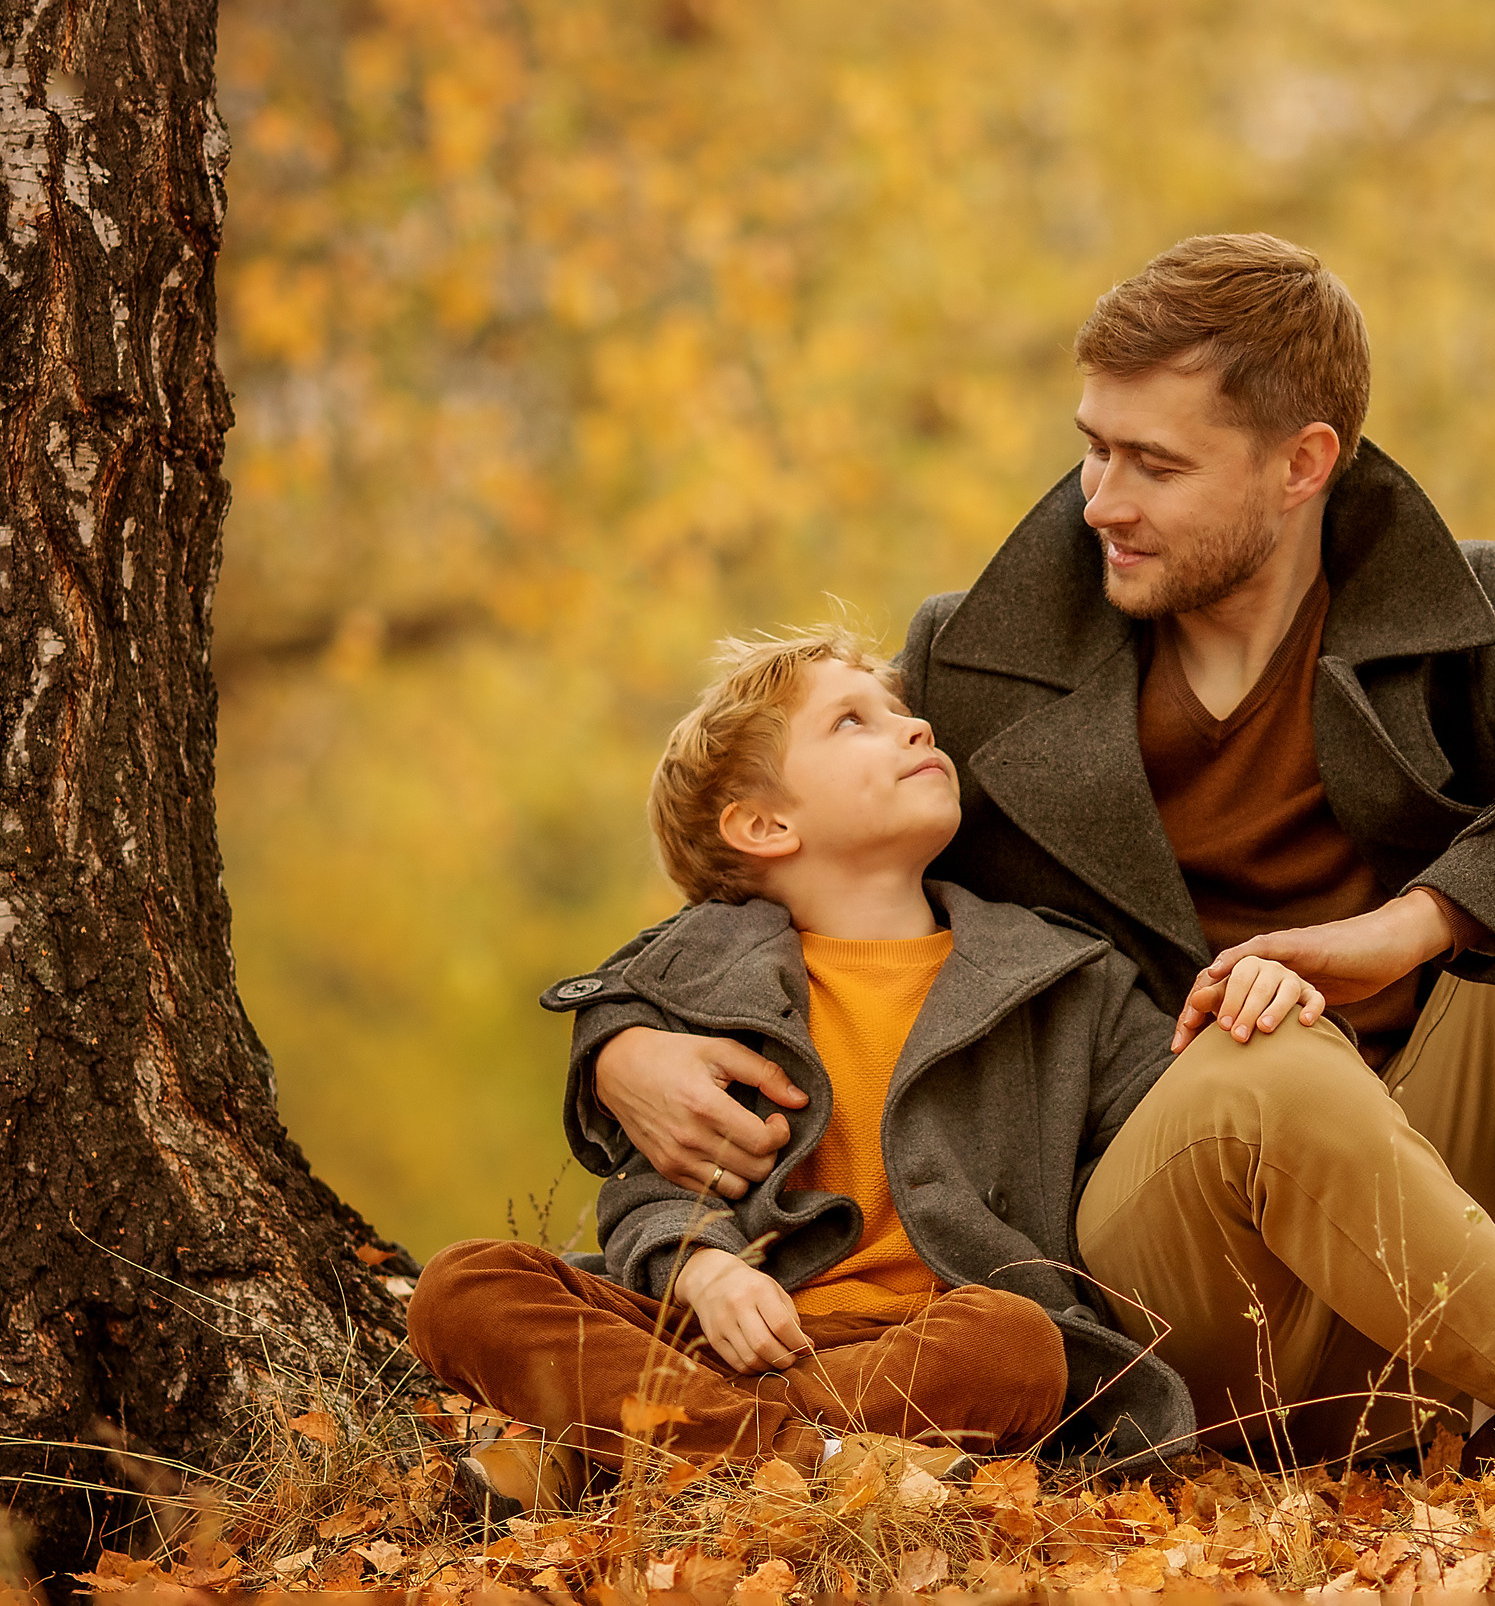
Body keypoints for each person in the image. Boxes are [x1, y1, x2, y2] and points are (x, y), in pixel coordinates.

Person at [567, 236, 1495, 1561]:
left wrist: (1410, 925)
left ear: (1301, 463)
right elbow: (789, 873)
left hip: (1427, 1211)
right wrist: (618, 1043)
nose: (1100, 500)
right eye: (1093, 447)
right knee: (1268, 1063)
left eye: (1155, 464)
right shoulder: (979, 660)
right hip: (1171, 1248)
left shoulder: (1449, 622)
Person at [407, 630, 1327, 1518]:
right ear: (765, 824)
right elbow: (652, 1190)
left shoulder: (1063, 976)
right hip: (707, 1334)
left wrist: (1253, 1005)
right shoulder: (702, 984)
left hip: (919, 1348)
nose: (915, 727)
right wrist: (711, 1275)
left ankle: (635, 1448)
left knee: (1019, 1342)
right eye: (855, 720)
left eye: (902, 710)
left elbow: (1180, 1116)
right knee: (462, 1285)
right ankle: (807, 1460)